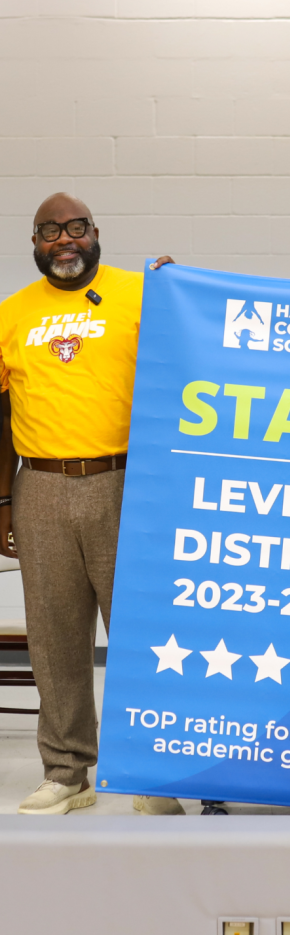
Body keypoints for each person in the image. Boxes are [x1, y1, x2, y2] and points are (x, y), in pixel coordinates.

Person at [0, 192, 184, 816]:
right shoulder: (13, 314)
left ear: (95, 232)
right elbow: (1, 418)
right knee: (54, 638)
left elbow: (204, 339)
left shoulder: (141, 293)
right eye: (49, 231)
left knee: (141, 633)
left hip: (124, 481)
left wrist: (184, 288)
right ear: (34, 244)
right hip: (41, 485)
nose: (63, 240)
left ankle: (155, 773)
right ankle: (67, 772)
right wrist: (4, 502)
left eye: (74, 227)